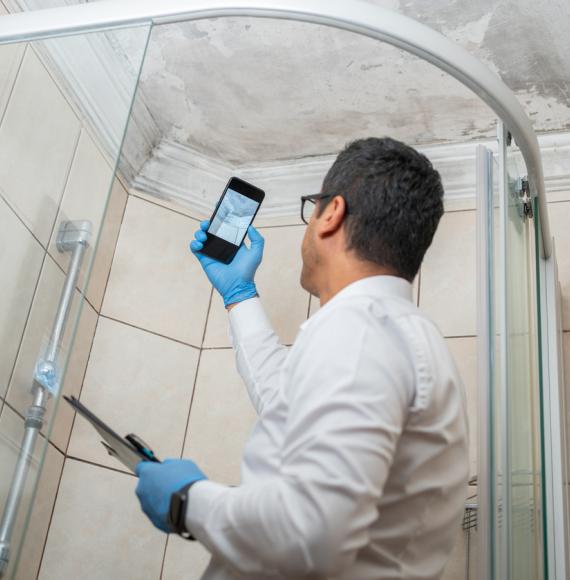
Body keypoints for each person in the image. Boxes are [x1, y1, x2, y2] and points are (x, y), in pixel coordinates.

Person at [135, 137, 469, 579]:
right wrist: (240, 296)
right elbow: (285, 404)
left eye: (311, 210)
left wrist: (188, 501)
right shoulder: (393, 332)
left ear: (331, 214)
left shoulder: (362, 329)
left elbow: (311, 531)